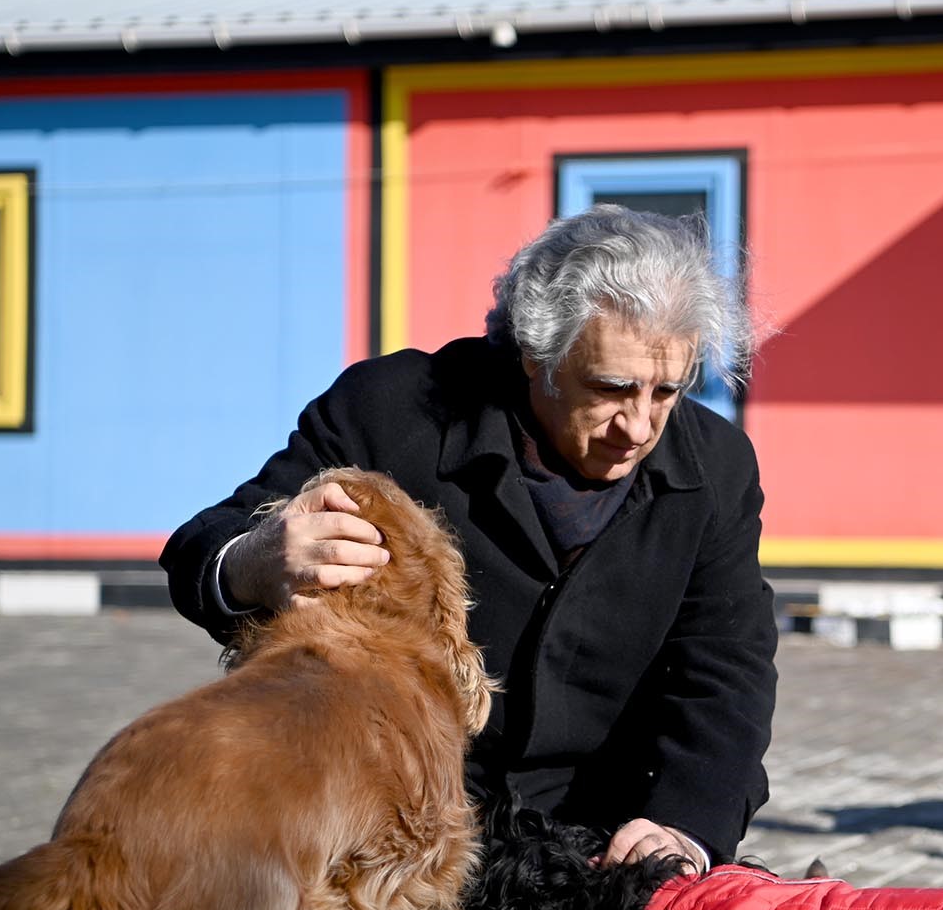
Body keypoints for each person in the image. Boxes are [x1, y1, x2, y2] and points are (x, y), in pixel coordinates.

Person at [161, 206, 776, 872]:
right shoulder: (393, 410)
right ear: (536, 353)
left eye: (668, 390)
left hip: (604, 826)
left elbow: (724, 664)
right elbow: (209, 544)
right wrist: (253, 563)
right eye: (611, 388)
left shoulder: (717, 467)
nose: (639, 424)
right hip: (391, 808)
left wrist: (684, 824)